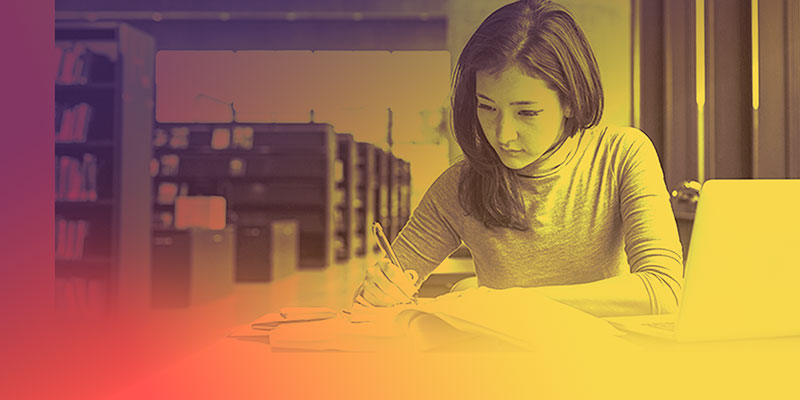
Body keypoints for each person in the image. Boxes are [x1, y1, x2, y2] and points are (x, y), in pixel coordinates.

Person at [355, 0, 683, 317]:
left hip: (600, 363)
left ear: (570, 101)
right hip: (498, 364)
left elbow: (663, 291)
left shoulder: (621, 154)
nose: (503, 134)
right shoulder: (461, 184)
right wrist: (379, 292)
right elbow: (365, 307)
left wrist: (505, 303)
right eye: (487, 107)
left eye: (527, 112)